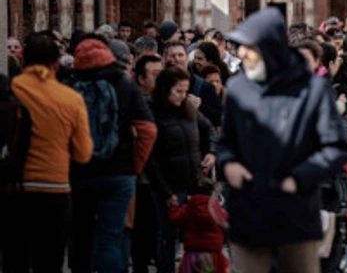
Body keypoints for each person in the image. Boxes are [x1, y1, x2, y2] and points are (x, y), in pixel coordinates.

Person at [216, 7, 347, 271]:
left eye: (249, 48)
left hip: (296, 213)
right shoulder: (238, 88)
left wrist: (299, 177)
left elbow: (335, 147)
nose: (241, 54)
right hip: (248, 213)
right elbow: (226, 142)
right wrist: (228, 163)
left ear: (270, 49)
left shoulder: (312, 89)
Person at [0, 33, 93, 273]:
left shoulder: (13, 89)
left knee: (15, 258)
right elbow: (83, 153)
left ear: (22, 61)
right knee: (49, 260)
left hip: (15, 188)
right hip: (55, 188)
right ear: (55, 63)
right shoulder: (71, 99)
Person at [68, 35, 158, 273]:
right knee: (111, 238)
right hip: (120, 173)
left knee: (81, 237)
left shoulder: (70, 86)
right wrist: (134, 166)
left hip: (81, 172)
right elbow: (147, 130)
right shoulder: (125, 84)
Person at [148, 66, 216, 273]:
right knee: (168, 236)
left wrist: (211, 152)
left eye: (185, 91)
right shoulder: (153, 113)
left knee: (197, 236)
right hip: (168, 185)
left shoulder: (189, 109)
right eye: (178, 91)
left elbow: (209, 130)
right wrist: (166, 192)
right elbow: (151, 161)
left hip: (194, 182)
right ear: (165, 90)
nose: (182, 96)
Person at [167, 177, 229, 273]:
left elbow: (174, 219)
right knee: (209, 271)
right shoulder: (216, 209)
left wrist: (173, 206)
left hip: (193, 254)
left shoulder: (188, 208)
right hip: (212, 255)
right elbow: (226, 221)